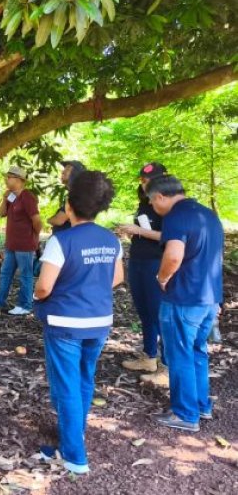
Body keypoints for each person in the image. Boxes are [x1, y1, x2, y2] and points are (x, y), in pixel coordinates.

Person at [33, 171, 123, 475]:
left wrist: (37, 295)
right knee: (85, 377)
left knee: (66, 385)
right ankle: (77, 431)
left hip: (64, 323)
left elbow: (44, 286)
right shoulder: (111, 239)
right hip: (99, 321)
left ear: (69, 206)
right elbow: (118, 278)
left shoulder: (61, 241)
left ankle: (74, 455)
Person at [146, 175, 223, 432]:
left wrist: (162, 277)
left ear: (159, 197)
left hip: (183, 298)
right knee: (197, 352)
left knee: (179, 355)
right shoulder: (207, 214)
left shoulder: (176, 217)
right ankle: (202, 405)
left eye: (152, 202)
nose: (153, 208)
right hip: (208, 298)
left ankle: (185, 414)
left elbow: (174, 255)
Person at [116, 162, 168, 377]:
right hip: (138, 260)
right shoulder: (145, 202)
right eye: (142, 180)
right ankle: (149, 357)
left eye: (147, 180)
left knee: (159, 313)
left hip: (157, 262)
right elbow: (146, 231)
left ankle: (166, 366)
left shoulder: (168, 204)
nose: (144, 183)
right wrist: (132, 232)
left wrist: (139, 231)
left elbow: (170, 237)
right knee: (144, 311)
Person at [0, 166, 42, 315]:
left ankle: (25, 305)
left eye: (9, 177)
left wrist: (34, 236)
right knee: (5, 273)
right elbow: (2, 213)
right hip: (11, 243)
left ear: (19, 180)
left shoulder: (28, 197)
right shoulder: (11, 196)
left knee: (25, 275)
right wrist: (4, 198)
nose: (6, 180)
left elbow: (37, 220)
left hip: (25, 244)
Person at [47, 160, 86, 233]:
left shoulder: (77, 195)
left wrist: (48, 220)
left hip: (70, 240)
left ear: (76, 173)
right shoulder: (74, 194)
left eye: (67, 169)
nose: (63, 172)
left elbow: (59, 220)